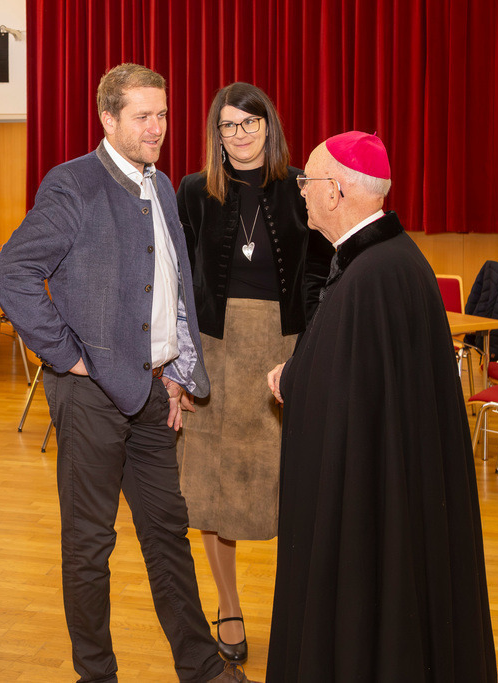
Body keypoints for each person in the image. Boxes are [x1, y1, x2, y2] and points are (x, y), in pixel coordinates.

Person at [0, 63, 249, 683]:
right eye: (142, 116)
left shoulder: (159, 186)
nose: (156, 128)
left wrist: (176, 369)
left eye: (163, 115)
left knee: (167, 536)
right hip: (89, 398)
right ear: (108, 119)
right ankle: (97, 675)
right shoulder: (73, 184)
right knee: (90, 546)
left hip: (152, 394)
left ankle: (202, 669)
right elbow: (11, 274)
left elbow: (170, 290)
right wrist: (69, 357)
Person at [266, 132, 497, 682]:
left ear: (336, 191)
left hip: (368, 502)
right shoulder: (392, 260)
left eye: (308, 181)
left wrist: (291, 378)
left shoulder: (369, 276)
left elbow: (339, 388)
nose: (302, 191)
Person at [175, 83, 332, 662]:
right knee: (212, 487)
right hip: (214, 353)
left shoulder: (301, 188)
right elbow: (178, 279)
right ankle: (229, 604)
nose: (239, 134)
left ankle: (303, 606)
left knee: (294, 482)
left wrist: (309, 349)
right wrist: (179, 362)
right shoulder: (193, 190)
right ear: (216, 134)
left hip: (283, 350)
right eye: (228, 125)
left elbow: (321, 275)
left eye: (249, 123)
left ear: (270, 126)